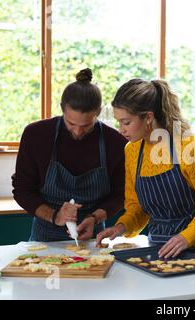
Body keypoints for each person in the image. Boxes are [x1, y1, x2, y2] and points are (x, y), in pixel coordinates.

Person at [96, 78, 195, 276]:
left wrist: (187, 237)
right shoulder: (133, 151)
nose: (121, 129)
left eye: (126, 122)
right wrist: (120, 227)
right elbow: (137, 207)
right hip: (159, 251)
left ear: (148, 117)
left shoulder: (187, 148)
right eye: (119, 122)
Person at [12, 68, 127, 241]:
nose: (78, 131)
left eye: (87, 125)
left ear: (98, 112)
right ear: (62, 110)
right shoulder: (36, 135)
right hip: (45, 234)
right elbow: (22, 189)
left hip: (92, 235)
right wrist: (55, 216)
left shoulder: (115, 142)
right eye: (71, 123)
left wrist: (94, 218)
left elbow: (119, 195)